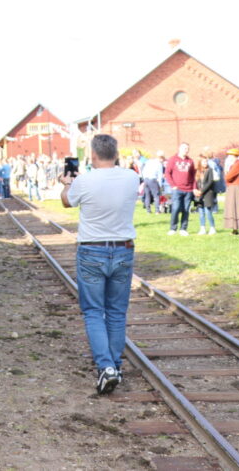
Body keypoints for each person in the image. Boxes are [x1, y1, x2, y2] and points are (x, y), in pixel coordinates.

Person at [59, 134, 140, 395]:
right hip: (123, 248)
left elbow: (67, 201)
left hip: (92, 249)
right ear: (116, 154)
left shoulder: (84, 180)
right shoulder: (131, 177)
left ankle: (106, 367)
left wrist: (66, 184)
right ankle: (114, 365)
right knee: (117, 311)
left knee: (94, 311)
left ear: (93, 155)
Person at [165, 143, 196, 236]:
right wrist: (173, 185)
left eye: (187, 148)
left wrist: (194, 188)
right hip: (177, 189)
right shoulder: (173, 159)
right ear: (179, 149)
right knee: (176, 208)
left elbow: (193, 176)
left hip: (188, 190)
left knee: (186, 209)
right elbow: (167, 173)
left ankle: (183, 229)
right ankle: (173, 228)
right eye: (184, 148)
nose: (186, 150)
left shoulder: (190, 161)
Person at [223, 148, 239, 235]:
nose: (229, 157)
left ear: (235, 156)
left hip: (236, 188)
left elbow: (228, 177)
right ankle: (235, 229)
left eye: (230, 155)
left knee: (238, 207)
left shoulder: (238, 165)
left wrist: (226, 175)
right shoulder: (234, 164)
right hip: (233, 187)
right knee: (233, 208)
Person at [195, 156, 217, 235]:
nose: (205, 163)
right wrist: (196, 191)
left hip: (208, 194)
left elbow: (210, 182)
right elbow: (195, 182)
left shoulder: (209, 170)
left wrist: (202, 191)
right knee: (201, 212)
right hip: (199, 195)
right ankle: (202, 228)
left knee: (208, 212)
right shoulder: (197, 171)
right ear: (200, 162)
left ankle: (212, 228)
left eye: (206, 161)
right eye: (203, 161)